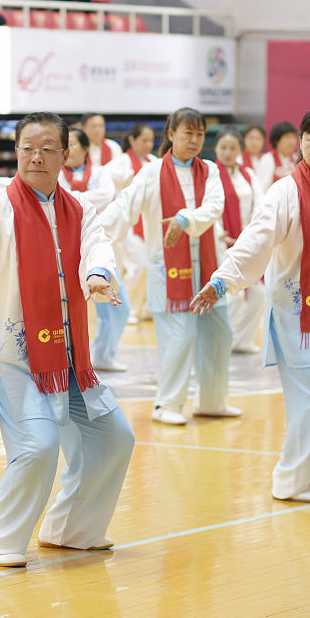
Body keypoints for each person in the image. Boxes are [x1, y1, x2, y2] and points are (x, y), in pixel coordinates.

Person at [0, 111, 134, 569]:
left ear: (65, 154)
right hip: (16, 360)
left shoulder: (79, 209)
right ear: (16, 152)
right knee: (37, 447)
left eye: (47, 148)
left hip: (71, 358)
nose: (36, 156)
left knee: (115, 437)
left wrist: (96, 274)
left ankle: (72, 528)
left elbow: (98, 246)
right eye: (27, 148)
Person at [192, 107, 310, 503]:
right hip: (301, 317)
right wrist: (222, 280)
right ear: (301, 142)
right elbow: (255, 240)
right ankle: (290, 481)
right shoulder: (285, 191)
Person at [101, 107, 239, 426]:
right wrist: (94, 235)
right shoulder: (151, 173)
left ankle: (212, 401)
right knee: (179, 339)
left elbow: (215, 206)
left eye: (200, 134)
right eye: (187, 133)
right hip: (168, 272)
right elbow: (124, 209)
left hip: (208, 271)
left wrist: (184, 218)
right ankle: (166, 405)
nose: (194, 140)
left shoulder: (211, 171)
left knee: (220, 334)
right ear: (172, 134)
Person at [61, 127, 126, 370]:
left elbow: (106, 194)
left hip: (95, 241)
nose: (69, 149)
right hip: (65, 246)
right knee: (69, 309)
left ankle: (102, 356)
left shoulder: (101, 172)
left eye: (74, 144)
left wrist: (71, 197)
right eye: (65, 145)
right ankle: (70, 360)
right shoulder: (56, 173)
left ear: (87, 148)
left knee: (118, 306)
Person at [213, 127, 265, 354]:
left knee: (259, 293)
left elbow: (261, 205)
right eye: (223, 147)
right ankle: (222, 340)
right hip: (220, 240)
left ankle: (241, 341)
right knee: (229, 295)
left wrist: (254, 233)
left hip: (247, 241)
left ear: (240, 150)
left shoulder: (249, 175)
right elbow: (207, 206)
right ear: (216, 148)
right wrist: (217, 231)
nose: (227, 152)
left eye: (232, 148)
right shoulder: (210, 173)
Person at [103, 123, 157, 323]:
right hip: (130, 224)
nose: (148, 144)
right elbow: (105, 182)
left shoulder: (154, 162)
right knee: (138, 266)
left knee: (151, 266)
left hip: (151, 221)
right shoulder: (121, 163)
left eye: (151, 140)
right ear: (132, 140)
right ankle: (129, 309)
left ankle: (144, 307)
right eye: (144, 140)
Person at [255, 121, 299, 195]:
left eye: (293, 137)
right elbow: (262, 189)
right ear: (276, 140)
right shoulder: (267, 159)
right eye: (287, 137)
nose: (292, 141)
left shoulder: (296, 159)